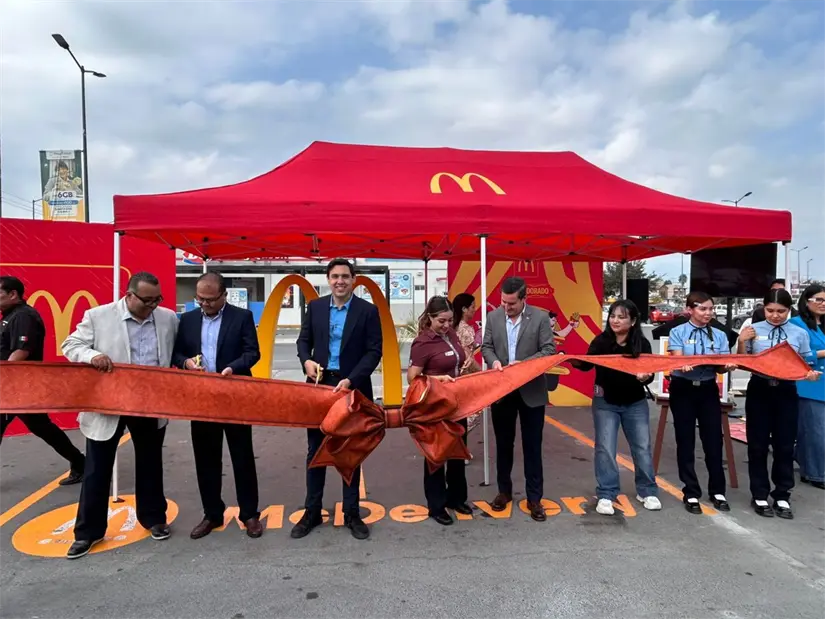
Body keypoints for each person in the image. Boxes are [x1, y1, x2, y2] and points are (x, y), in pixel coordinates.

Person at [61, 272, 178, 559]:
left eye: (157, 299)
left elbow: (176, 353)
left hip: (149, 403)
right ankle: (88, 532)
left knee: (150, 464)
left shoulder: (167, 318)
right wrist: (92, 356)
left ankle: (154, 519)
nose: (152, 306)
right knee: (97, 469)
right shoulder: (98, 316)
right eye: (147, 300)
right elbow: (70, 345)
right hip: (107, 405)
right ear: (129, 296)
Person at [294, 258, 382, 540]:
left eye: (345, 276)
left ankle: (352, 512)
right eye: (335, 276)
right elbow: (303, 341)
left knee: (350, 450)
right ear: (328, 279)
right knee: (315, 450)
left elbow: (374, 351)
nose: (340, 281)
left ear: (354, 279)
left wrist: (352, 380)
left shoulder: (368, 311)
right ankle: (312, 511)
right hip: (319, 387)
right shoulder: (316, 307)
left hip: (352, 388)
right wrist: (306, 361)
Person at [173, 272, 263, 539]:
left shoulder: (242, 317)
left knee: (242, 457)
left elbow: (252, 352)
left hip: (235, 396)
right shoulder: (188, 320)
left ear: (224, 295)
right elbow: (176, 353)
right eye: (200, 299)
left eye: (210, 300)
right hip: (202, 400)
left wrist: (233, 367)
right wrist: (186, 363)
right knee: (206, 458)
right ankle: (212, 513)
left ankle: (249, 514)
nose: (205, 304)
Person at [569, 300, 661, 515]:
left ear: (633, 321)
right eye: (612, 316)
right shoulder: (601, 342)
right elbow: (586, 365)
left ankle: (647, 491)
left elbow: (650, 374)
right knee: (605, 448)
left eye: (621, 317)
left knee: (642, 448)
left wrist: (645, 377)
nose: (615, 321)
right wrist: (571, 359)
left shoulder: (642, 344)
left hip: (635, 403)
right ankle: (606, 494)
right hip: (605, 403)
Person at [738, 288, 820, 518]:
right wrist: (742, 342)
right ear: (763, 308)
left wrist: (809, 374)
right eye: (770, 310)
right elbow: (743, 362)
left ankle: (782, 494)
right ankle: (759, 494)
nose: (775, 315)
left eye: (781, 311)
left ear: (789, 310)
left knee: (784, 445)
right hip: (759, 389)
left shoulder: (798, 333)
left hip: (786, 390)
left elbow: (804, 362)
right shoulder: (753, 330)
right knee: (757, 444)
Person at [481, 276, 555, 521]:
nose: (506, 307)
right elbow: (486, 346)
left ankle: (534, 498)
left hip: (531, 391)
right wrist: (494, 362)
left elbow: (548, 350)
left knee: (532, 446)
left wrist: (524, 365)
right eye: (503, 302)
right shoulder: (493, 317)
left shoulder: (540, 318)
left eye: (511, 303)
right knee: (503, 444)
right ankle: (504, 491)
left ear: (524, 299)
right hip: (502, 391)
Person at [0, 276, 86, 484]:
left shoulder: (23, 316)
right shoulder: (10, 316)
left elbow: (21, 352)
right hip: (15, 385)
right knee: (42, 427)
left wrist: (5, 379)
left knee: (42, 427)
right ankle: (80, 462)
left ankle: (81, 463)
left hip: (17, 385)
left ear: (13, 294)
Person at [667, 291, 736, 514]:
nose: (708, 313)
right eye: (702, 309)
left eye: (711, 309)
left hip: (707, 388)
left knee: (713, 440)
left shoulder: (720, 335)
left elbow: (722, 366)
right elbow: (677, 359)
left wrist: (726, 366)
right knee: (685, 440)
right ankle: (691, 491)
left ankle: (718, 491)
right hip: (683, 389)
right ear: (690, 309)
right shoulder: (677, 331)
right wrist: (683, 364)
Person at [408, 296, 475, 525]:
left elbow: (458, 358)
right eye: (441, 321)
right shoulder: (422, 343)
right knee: (436, 456)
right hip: (434, 408)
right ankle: (436, 506)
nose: (446, 325)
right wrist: (438, 379)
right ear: (430, 318)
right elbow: (412, 378)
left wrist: (465, 366)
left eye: (449, 320)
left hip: (456, 404)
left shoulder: (452, 335)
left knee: (457, 452)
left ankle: (456, 498)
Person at [791, 285, 825, 491]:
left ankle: (804, 460)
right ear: (806, 301)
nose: (823, 304)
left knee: (813, 431)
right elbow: (795, 355)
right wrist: (821, 353)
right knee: (815, 432)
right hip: (809, 384)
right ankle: (815, 473)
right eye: (818, 299)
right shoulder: (796, 324)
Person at [451, 292, 481, 431]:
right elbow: (468, 357)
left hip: (453, 376)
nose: (474, 310)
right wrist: (481, 373)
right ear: (464, 309)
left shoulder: (451, 328)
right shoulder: (467, 330)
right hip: (466, 378)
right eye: (472, 307)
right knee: (471, 414)